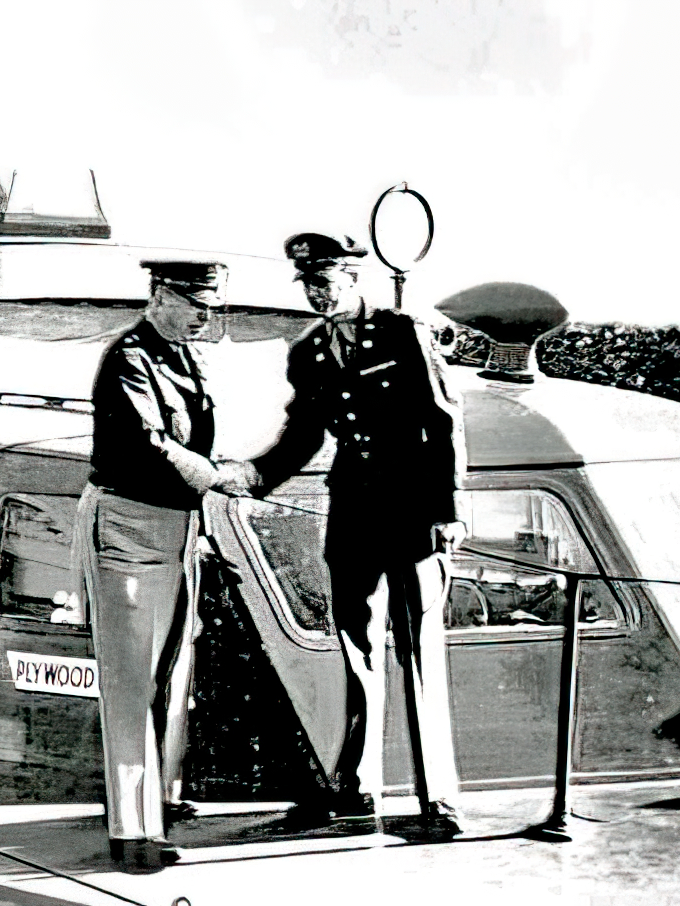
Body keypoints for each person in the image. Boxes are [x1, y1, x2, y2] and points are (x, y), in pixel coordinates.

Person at [228, 232, 467, 835]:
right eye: (309, 283)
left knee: (419, 654)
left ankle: (438, 799)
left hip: (413, 515)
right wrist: (255, 476)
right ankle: (360, 789)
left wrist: (449, 509)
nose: (317, 292)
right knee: (357, 652)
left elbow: (443, 421)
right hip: (354, 517)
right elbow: (304, 434)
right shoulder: (309, 353)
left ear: (352, 277)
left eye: (325, 280)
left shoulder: (401, 331)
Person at [75, 258, 248, 871]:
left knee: (169, 675)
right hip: (128, 526)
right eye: (196, 304)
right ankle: (132, 833)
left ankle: (159, 804)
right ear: (160, 297)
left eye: (211, 306)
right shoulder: (128, 359)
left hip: (178, 529)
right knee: (130, 682)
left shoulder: (185, 358)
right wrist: (215, 477)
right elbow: (149, 443)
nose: (205, 316)